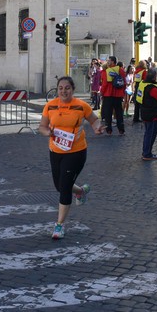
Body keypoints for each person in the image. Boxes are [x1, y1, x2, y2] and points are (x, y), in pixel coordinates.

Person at [39, 76, 106, 239]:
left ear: (72, 89)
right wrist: (47, 132)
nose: (63, 91)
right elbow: (42, 126)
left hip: (76, 152)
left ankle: (59, 226)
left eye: (67, 88)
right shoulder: (50, 105)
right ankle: (81, 191)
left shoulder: (81, 106)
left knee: (64, 188)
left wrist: (97, 129)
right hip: (55, 151)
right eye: (60, 88)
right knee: (60, 186)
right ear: (57, 90)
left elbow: (94, 121)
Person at [136, 68, 157, 161]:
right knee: (151, 133)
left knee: (147, 133)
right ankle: (147, 153)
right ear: (154, 77)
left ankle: (146, 152)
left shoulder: (142, 84)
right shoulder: (152, 88)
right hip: (152, 113)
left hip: (145, 110)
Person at [100, 55, 126, 135]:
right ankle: (121, 129)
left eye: (109, 61)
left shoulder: (106, 71)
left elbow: (104, 84)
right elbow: (124, 82)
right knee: (119, 112)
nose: (108, 62)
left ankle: (109, 130)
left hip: (108, 94)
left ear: (113, 61)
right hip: (118, 95)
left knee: (108, 113)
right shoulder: (120, 70)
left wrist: (102, 92)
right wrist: (123, 92)